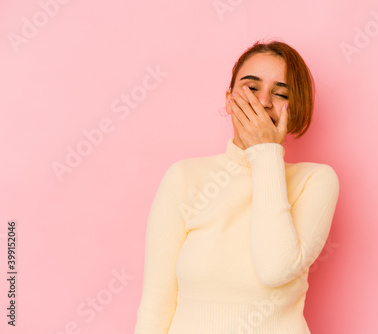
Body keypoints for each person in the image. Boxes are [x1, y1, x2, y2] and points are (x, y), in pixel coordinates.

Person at [133, 40, 340, 334]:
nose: (264, 101)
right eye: (251, 87)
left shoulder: (315, 181)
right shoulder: (184, 177)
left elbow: (274, 269)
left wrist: (266, 154)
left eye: (280, 93)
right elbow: (157, 304)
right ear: (229, 98)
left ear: (296, 109)